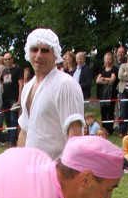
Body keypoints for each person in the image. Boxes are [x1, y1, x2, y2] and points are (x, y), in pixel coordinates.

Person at [17, 28, 85, 159]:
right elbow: (25, 132)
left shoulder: (65, 84)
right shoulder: (27, 87)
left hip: (57, 172)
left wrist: (65, 174)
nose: (38, 55)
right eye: (34, 49)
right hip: (32, 172)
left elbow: (75, 135)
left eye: (45, 50)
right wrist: (20, 167)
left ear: (55, 54)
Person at [0, 51, 23, 147]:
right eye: (5, 59)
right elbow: (1, 83)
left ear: (12, 59)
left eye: (9, 59)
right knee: (8, 119)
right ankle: (9, 138)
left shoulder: (17, 70)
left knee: (14, 119)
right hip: (5, 99)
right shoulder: (4, 71)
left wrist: (19, 99)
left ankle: (13, 141)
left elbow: (21, 84)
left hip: (14, 98)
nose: (7, 61)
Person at [95, 51, 118, 135]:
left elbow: (112, 80)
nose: (108, 60)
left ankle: (110, 130)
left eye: (109, 59)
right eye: (106, 59)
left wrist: (103, 79)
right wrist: (107, 81)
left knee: (110, 112)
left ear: (112, 60)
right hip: (102, 94)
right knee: (103, 112)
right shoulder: (101, 69)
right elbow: (97, 80)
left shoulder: (115, 69)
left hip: (111, 93)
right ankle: (104, 130)